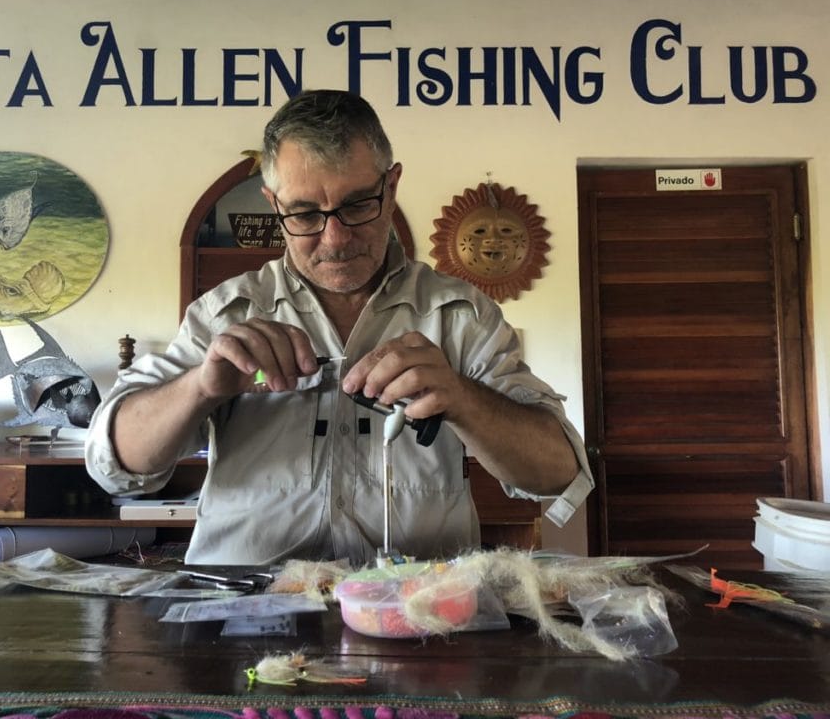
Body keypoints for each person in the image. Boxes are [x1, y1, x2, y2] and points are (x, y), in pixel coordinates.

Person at [85, 89, 593, 566]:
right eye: (305, 213)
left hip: (418, 615)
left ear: (391, 188)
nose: (335, 238)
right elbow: (116, 465)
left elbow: (559, 473)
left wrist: (460, 397)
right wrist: (199, 388)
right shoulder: (227, 312)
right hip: (243, 612)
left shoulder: (460, 315)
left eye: (356, 206)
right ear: (274, 204)